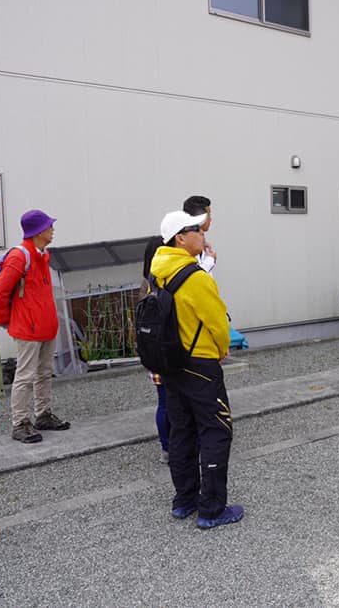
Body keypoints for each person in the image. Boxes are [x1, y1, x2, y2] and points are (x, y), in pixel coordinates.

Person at [150, 210, 242, 529]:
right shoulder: (195, 277)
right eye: (196, 230)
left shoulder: (157, 273)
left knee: (182, 432)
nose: (202, 233)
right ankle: (212, 509)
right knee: (216, 431)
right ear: (181, 238)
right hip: (200, 362)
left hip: (171, 364)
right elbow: (217, 322)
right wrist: (221, 350)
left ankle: (184, 500)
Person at [0, 209, 69, 443]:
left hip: (42, 326)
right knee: (25, 376)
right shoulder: (20, 257)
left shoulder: (42, 254)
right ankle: (20, 423)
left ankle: (42, 415)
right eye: (48, 226)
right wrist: (5, 320)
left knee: (43, 373)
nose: (52, 229)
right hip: (28, 328)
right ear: (38, 231)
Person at [140, 236, 171, 464]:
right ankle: (181, 447)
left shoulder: (145, 285)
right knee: (178, 403)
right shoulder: (167, 281)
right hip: (171, 353)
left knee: (163, 402)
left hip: (152, 353)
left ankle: (166, 448)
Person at [182, 195, 216, 273]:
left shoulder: (202, 246)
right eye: (209, 215)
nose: (211, 219)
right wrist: (210, 260)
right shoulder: (185, 245)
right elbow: (189, 276)